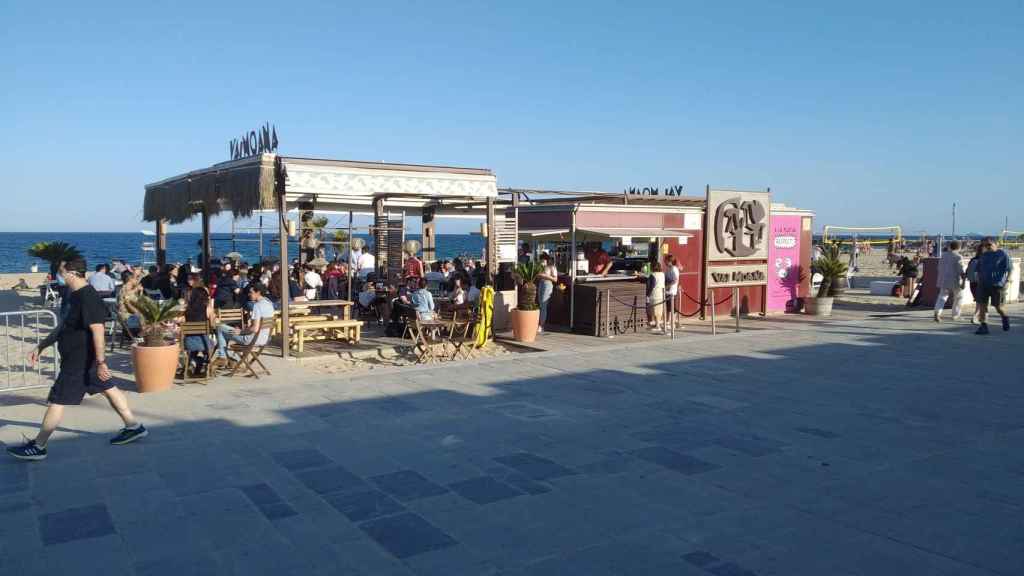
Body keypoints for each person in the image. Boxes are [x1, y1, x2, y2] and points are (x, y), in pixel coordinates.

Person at [8, 259, 147, 461]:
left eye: (61, 272)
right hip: (80, 358)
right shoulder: (74, 296)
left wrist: (101, 362)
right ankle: (133, 426)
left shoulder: (88, 297)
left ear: (72, 273)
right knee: (109, 387)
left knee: (58, 399)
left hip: (80, 360)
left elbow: (98, 330)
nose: (60, 276)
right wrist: (42, 345)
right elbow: (65, 326)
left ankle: (39, 446)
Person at [214, 283, 275, 361]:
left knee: (220, 327)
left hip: (252, 339)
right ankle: (227, 358)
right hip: (264, 339)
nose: (249, 294)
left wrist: (241, 332)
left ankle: (222, 357)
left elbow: (255, 329)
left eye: (251, 292)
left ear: (258, 292)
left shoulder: (257, 306)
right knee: (226, 333)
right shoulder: (269, 304)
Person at [975, 238, 1011, 335]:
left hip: (997, 285)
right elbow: (978, 269)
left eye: (989, 244)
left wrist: (1007, 281)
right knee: (982, 306)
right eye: (985, 245)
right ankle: (983, 326)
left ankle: (1005, 317)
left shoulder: (1003, 254)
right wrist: (978, 278)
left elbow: (1010, 269)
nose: (987, 247)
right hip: (983, 285)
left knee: (998, 307)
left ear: (996, 244)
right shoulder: (983, 255)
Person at [183, 278, 215, 376]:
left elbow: (182, 322)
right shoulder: (208, 309)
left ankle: (195, 361)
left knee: (193, 350)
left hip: (188, 343)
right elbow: (213, 325)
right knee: (213, 343)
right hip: (204, 343)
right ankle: (205, 362)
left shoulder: (187, 310)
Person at [934, 241, 965, 322]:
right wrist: (964, 281)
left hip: (943, 279)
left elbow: (939, 267)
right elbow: (961, 270)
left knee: (942, 297)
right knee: (958, 298)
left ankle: (937, 312)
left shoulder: (943, 255)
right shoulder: (958, 257)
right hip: (955, 280)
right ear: (959, 247)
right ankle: (956, 315)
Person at [116, 270, 143, 337]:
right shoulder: (126, 290)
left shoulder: (130, 289)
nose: (137, 280)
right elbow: (128, 305)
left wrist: (140, 291)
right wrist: (139, 313)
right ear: (130, 279)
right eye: (136, 278)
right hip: (128, 318)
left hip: (128, 317)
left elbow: (139, 301)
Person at [536, 253, 558, 333]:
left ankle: (541, 325)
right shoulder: (541, 267)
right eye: (541, 260)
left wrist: (545, 276)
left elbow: (555, 279)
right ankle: (540, 324)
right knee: (540, 304)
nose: (542, 261)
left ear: (547, 260)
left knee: (543, 305)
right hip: (541, 283)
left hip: (548, 284)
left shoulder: (551, 267)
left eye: (543, 260)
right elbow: (538, 276)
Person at [965, 244, 985, 324]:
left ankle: (978, 317)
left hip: (972, 283)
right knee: (981, 302)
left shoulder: (973, 259)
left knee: (979, 301)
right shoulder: (985, 260)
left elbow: (967, 272)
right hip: (981, 283)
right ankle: (975, 317)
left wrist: (963, 282)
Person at [646, 262, 666, 333]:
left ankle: (658, 326)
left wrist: (648, 294)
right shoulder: (662, 274)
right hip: (661, 294)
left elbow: (651, 286)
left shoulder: (652, 275)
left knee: (655, 311)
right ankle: (657, 324)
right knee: (659, 311)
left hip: (654, 295)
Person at [664, 255, 681, 329]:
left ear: (670, 261)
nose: (665, 262)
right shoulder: (669, 269)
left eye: (666, 261)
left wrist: (667, 286)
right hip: (668, 291)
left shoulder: (673, 269)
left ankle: (672, 322)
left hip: (671, 291)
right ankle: (668, 321)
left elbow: (675, 280)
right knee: (668, 306)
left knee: (672, 307)